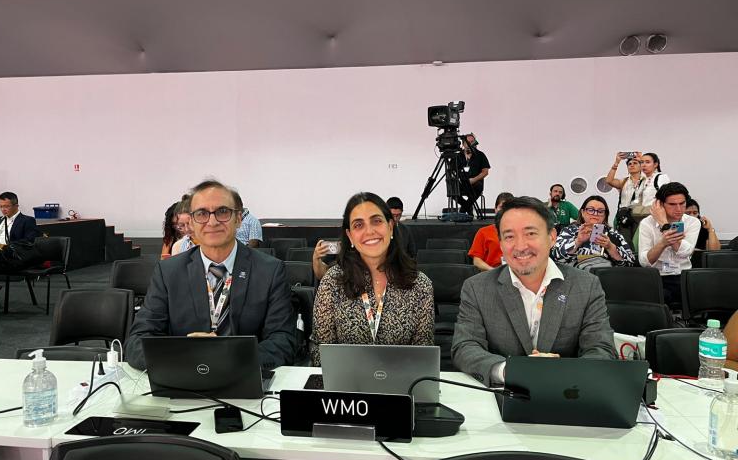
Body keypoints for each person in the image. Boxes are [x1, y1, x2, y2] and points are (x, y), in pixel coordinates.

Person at [126, 180, 296, 370]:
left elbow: (283, 341)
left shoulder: (270, 271)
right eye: (202, 213)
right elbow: (137, 341)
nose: (212, 222)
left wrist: (226, 356)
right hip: (183, 377)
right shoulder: (168, 272)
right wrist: (188, 355)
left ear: (238, 219)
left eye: (222, 212)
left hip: (244, 376)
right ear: (191, 223)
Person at [451, 196, 616, 386]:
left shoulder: (586, 286)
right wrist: (509, 370)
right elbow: (465, 346)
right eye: (509, 236)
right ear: (501, 243)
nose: (521, 246)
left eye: (530, 233)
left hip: (566, 391)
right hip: (500, 392)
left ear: (552, 237)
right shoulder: (477, 288)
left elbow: (601, 349)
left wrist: (562, 371)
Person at [310, 192, 434, 366]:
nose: (369, 231)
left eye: (376, 221)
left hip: (402, 381)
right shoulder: (333, 282)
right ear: (350, 236)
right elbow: (320, 350)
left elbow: (424, 355)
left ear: (390, 226)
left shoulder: (420, 285)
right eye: (358, 225)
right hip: (347, 380)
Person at [638, 182, 699, 306]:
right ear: (660, 204)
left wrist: (664, 224)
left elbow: (684, 252)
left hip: (683, 275)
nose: (679, 209)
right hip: (657, 276)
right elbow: (644, 262)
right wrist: (662, 244)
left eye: (682, 203)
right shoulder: (647, 223)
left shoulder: (692, 222)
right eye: (672, 204)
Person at [551, 195, 635, 269]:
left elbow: (630, 263)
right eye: (591, 210)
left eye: (600, 211)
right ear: (583, 213)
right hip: (577, 276)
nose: (595, 214)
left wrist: (610, 247)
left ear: (605, 215)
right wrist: (577, 242)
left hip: (606, 275)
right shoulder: (569, 230)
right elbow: (556, 257)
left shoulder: (614, 234)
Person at [467, 192, 514, 271]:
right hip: (491, 273)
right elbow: (477, 261)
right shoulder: (483, 232)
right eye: (501, 207)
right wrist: (493, 271)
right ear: (495, 209)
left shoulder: (520, 232)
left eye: (508, 208)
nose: (504, 211)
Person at [455, 134, 490, 217]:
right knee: (452, 188)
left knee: (478, 187)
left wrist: (474, 179)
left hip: (475, 182)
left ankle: (463, 210)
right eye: (468, 142)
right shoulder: (458, 156)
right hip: (462, 182)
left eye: (472, 142)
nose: (470, 144)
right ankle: (468, 207)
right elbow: (452, 170)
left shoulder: (480, 155)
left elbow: (485, 172)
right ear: (463, 144)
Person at [161, 194, 190, 259]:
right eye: (174, 224)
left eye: (180, 224)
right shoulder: (172, 238)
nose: (178, 227)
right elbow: (163, 260)